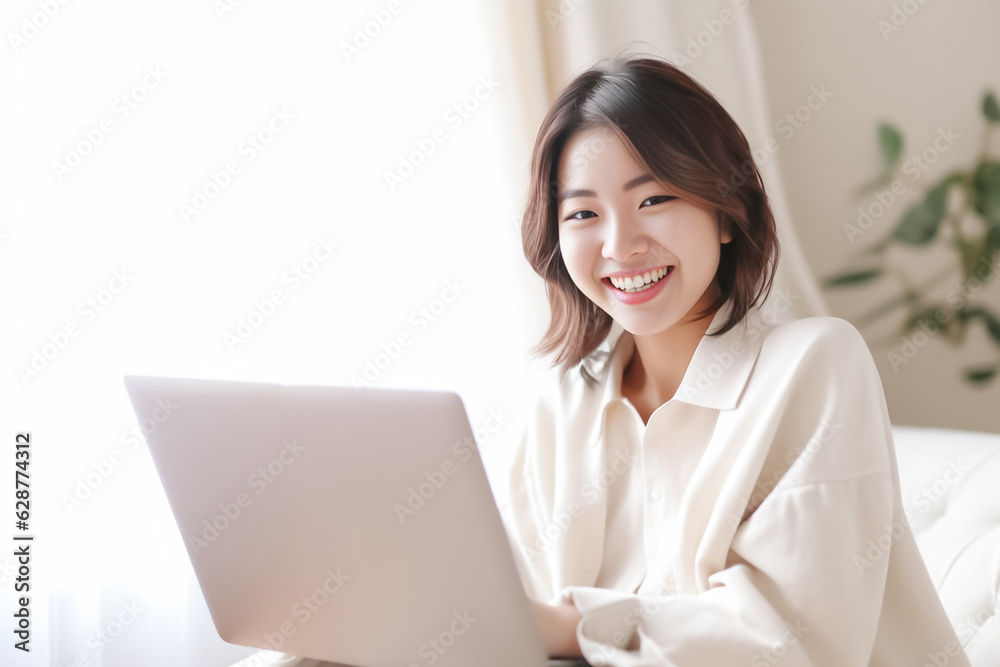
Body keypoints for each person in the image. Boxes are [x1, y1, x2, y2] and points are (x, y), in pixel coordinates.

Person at [503, 53, 972, 666]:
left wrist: (573, 627)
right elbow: (511, 617)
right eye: (583, 213)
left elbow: (788, 643)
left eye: (654, 199)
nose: (620, 245)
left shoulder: (815, 366)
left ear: (728, 212)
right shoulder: (560, 402)